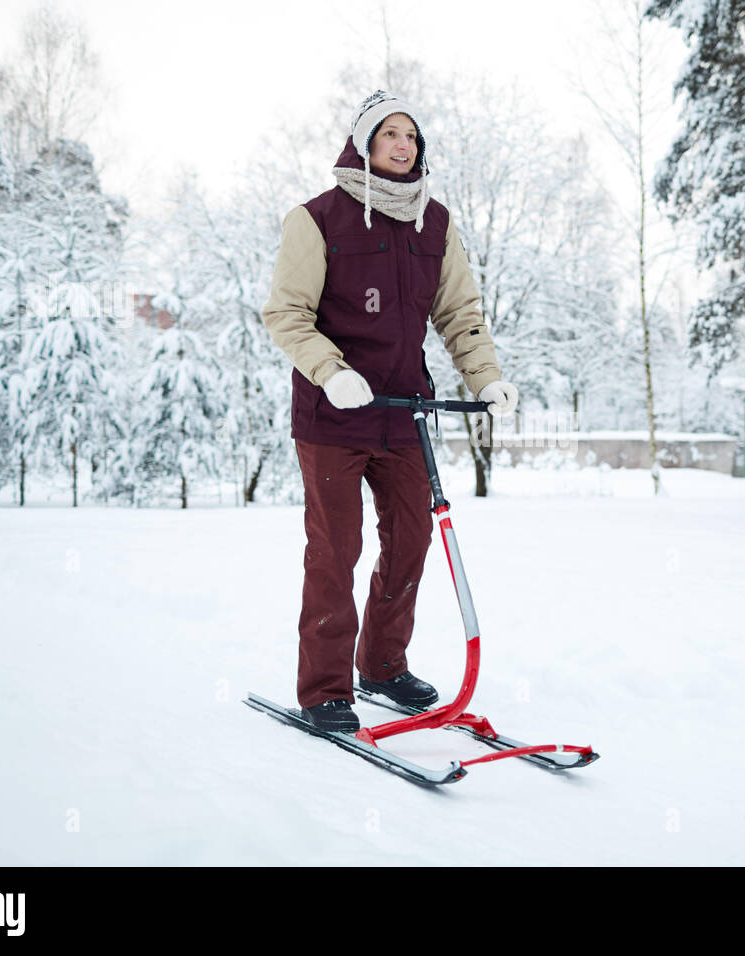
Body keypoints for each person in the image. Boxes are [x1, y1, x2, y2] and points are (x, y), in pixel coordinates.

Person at [261, 90, 519, 733]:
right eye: (391, 134)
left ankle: (381, 665)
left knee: (410, 541)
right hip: (334, 416)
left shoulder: (435, 223)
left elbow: (460, 313)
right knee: (335, 549)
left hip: (404, 412)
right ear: (364, 144)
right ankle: (324, 688)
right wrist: (331, 371)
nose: (405, 145)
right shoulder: (316, 219)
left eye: (412, 136)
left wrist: (485, 379)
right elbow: (286, 315)